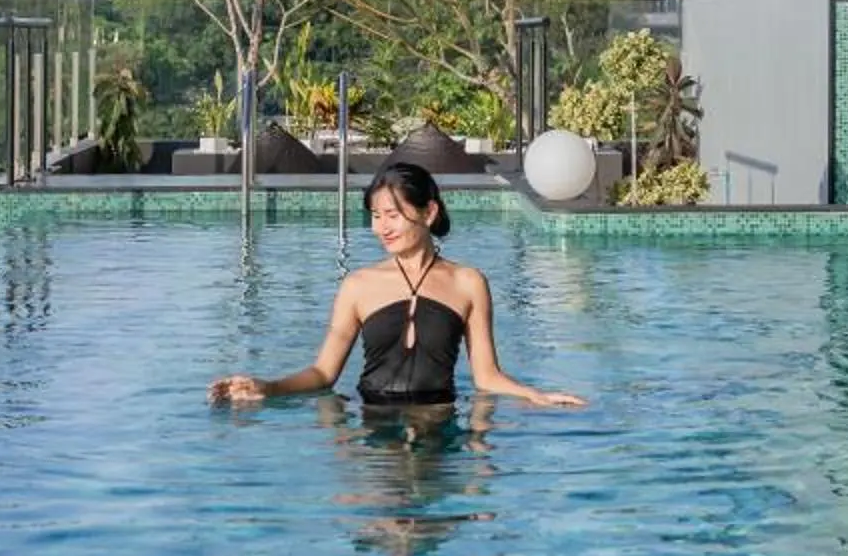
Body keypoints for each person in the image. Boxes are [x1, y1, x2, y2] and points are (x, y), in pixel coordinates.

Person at [206, 162, 586, 410]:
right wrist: (268, 389)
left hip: (440, 422)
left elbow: (486, 376)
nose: (382, 227)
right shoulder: (358, 285)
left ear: (428, 212)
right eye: (375, 216)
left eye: (392, 214)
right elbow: (323, 373)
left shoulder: (468, 283)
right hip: (374, 422)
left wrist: (536, 396)